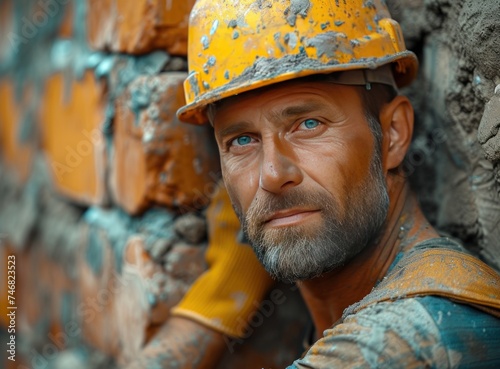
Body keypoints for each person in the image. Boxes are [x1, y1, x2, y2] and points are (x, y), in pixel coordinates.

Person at [128, 0, 500, 368]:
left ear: (393, 135)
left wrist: (215, 307)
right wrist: (226, 287)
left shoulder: (399, 342)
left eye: (309, 124)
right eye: (242, 140)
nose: (272, 176)